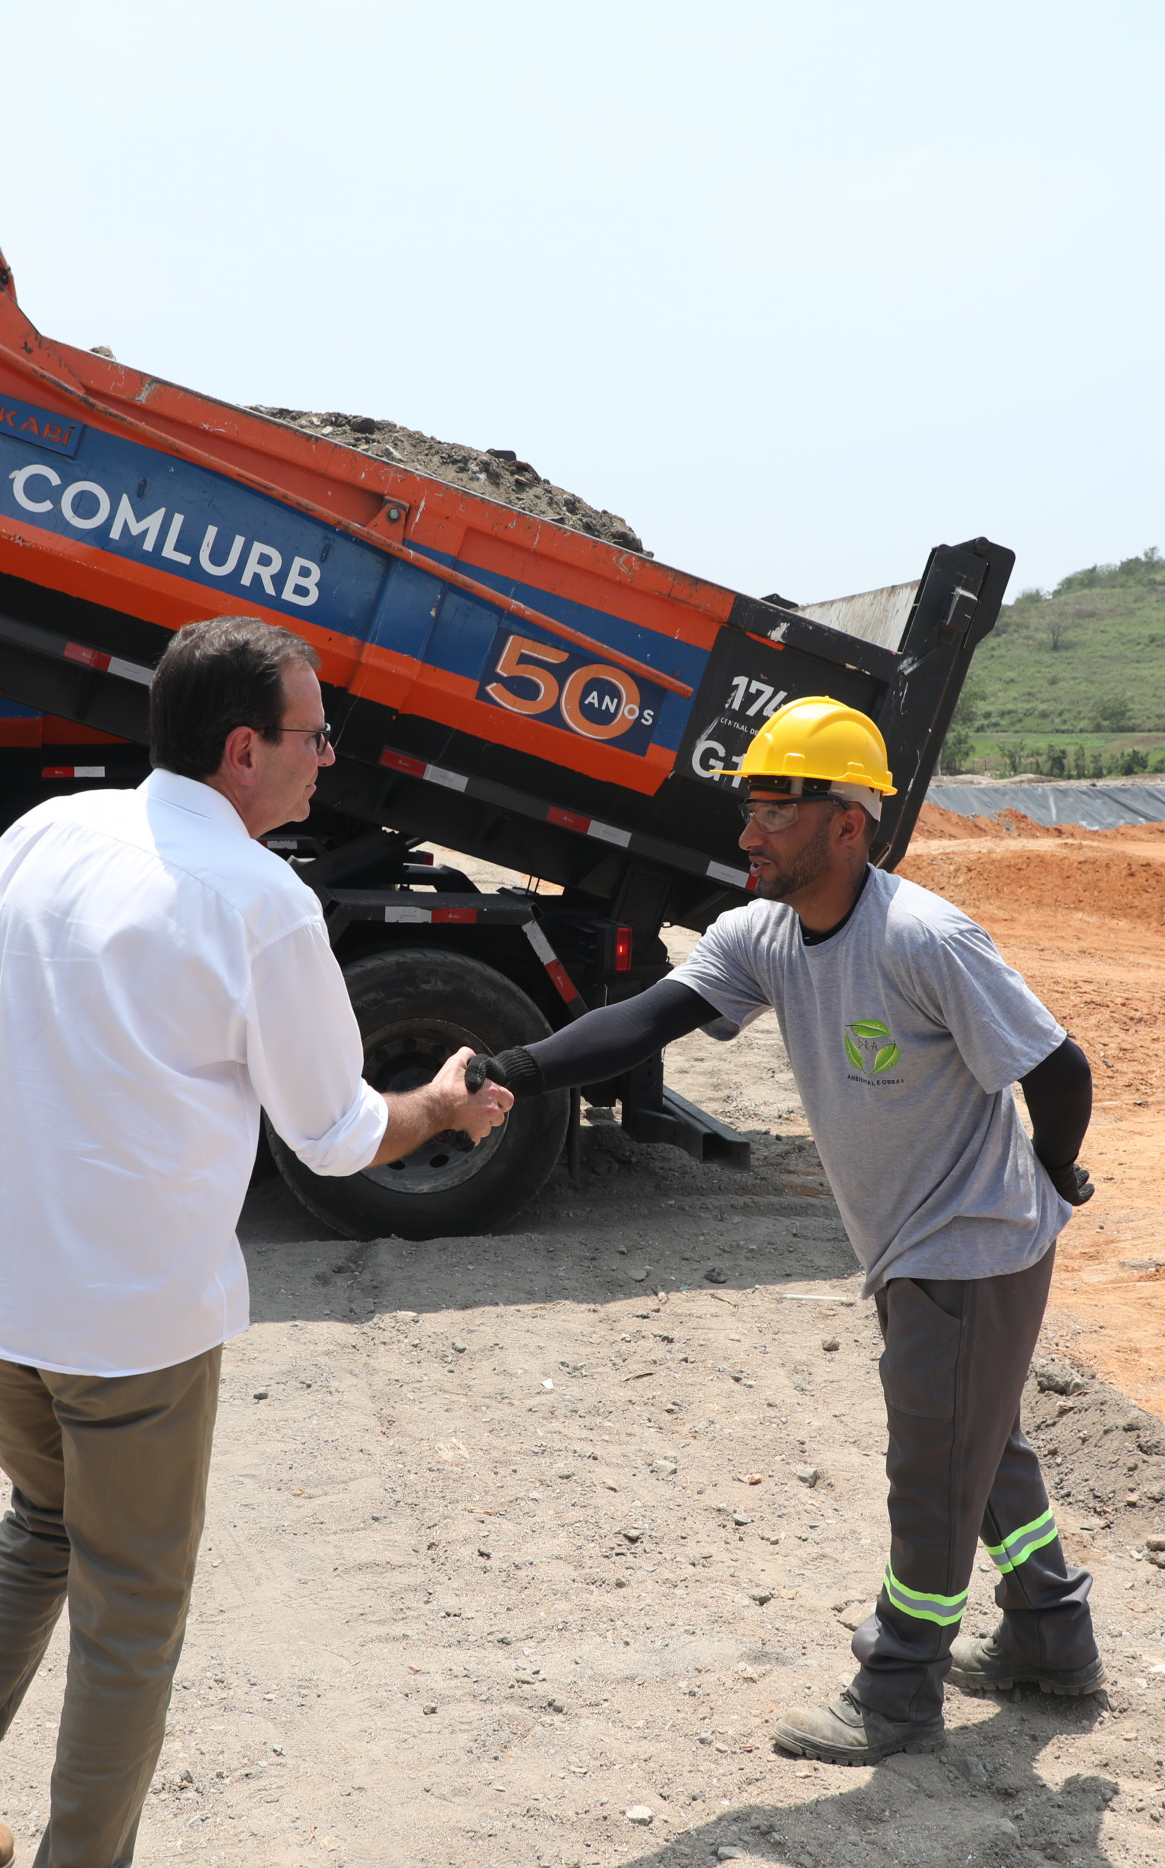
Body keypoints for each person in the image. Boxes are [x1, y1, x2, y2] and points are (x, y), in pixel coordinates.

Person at [0, 616, 512, 1868]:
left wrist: (30, 1155)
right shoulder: (259, 902)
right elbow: (334, 1137)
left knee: (42, 1526)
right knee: (132, 1604)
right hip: (131, 1322)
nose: (329, 756)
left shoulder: (49, 833)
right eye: (315, 733)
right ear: (244, 750)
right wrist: (440, 1106)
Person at [468, 695, 1102, 1765]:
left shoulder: (923, 937)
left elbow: (1059, 1067)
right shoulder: (761, 935)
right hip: (915, 1243)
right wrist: (511, 1069)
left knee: (931, 1472)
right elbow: (644, 1021)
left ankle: (897, 1690)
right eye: (750, 809)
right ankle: (1050, 1634)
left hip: (972, 1244)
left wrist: (1049, 1174)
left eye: (775, 812)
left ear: (847, 825)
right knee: (976, 1445)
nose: (748, 833)